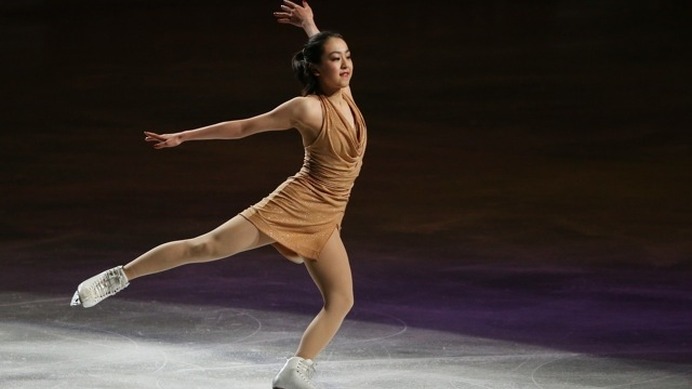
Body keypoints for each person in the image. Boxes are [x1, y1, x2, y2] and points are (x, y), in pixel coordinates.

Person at [69, 1, 366, 388]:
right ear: (315, 68)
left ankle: (295, 372)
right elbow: (244, 128)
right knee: (204, 247)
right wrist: (184, 136)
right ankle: (117, 277)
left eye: (347, 58)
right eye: (334, 59)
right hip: (297, 203)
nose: (344, 66)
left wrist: (309, 25)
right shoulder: (307, 109)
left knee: (341, 300)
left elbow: (323, 51)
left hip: (328, 215)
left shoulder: (345, 95)